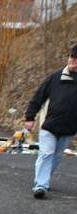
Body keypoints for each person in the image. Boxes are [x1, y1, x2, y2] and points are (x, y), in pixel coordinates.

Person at [25, 44, 77, 199]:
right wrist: (30, 117)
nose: (74, 62)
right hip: (49, 125)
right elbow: (38, 97)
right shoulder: (56, 77)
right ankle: (41, 185)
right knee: (46, 153)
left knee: (57, 156)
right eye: (72, 58)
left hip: (69, 128)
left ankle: (43, 178)